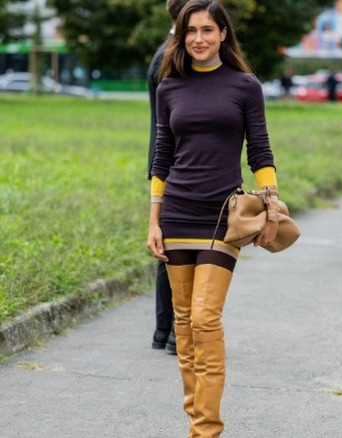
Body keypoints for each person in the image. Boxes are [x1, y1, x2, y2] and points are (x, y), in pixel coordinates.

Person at [146, 0, 279, 435]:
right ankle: (197, 423)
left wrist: (272, 206)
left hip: (222, 216)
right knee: (183, 325)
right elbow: (161, 156)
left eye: (207, 30)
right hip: (177, 215)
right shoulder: (170, 87)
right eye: (191, 31)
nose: (199, 38)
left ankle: (207, 431)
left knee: (204, 319)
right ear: (181, 35)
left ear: (224, 34)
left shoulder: (245, 86)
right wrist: (154, 221)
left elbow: (259, 150)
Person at [147, 0, 188, 355]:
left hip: (170, 161)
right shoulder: (170, 58)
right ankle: (173, 328)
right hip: (173, 163)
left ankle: (166, 330)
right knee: (172, 251)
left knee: (171, 249)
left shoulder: (165, 51)